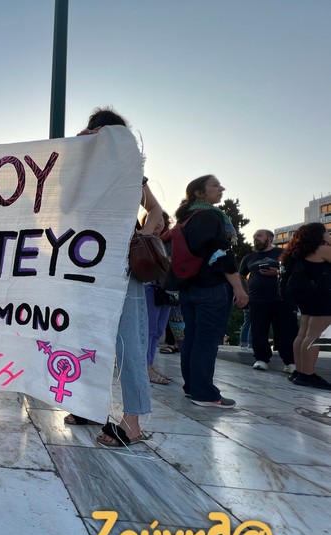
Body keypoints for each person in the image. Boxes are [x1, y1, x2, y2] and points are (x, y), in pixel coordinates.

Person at [63, 107, 162, 447]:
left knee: (128, 338)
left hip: (119, 261)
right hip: (84, 260)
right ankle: (90, 405)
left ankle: (134, 419)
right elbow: (60, 205)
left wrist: (140, 238)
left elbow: (156, 210)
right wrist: (76, 152)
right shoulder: (79, 165)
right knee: (86, 335)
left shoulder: (130, 169)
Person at [173, 175, 248, 407]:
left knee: (193, 338)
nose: (221, 188)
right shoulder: (212, 216)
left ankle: (192, 387)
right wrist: (238, 287)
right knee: (206, 341)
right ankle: (204, 393)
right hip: (211, 288)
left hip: (188, 287)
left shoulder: (185, 219)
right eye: (215, 185)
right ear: (199, 193)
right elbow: (220, 255)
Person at [279, 222, 331, 389]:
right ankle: (308, 375)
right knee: (314, 336)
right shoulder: (321, 249)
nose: (329, 234)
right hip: (322, 295)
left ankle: (300, 372)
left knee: (303, 334)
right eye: (326, 232)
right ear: (319, 235)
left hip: (305, 296)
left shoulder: (297, 252)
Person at [238, 229, 298, 373]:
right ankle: (261, 359)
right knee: (258, 330)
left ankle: (290, 362)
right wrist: (245, 293)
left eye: (259, 236)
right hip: (257, 299)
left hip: (282, 299)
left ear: (270, 238)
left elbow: (295, 271)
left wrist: (277, 273)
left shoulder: (284, 253)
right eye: (254, 236)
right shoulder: (249, 258)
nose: (255, 238)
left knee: (286, 332)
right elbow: (240, 276)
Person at [144, 211, 174, 385]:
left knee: (158, 330)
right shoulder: (142, 239)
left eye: (161, 219)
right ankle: (145, 367)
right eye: (154, 219)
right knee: (148, 330)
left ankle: (150, 364)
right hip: (149, 287)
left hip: (165, 290)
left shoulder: (167, 241)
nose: (158, 223)